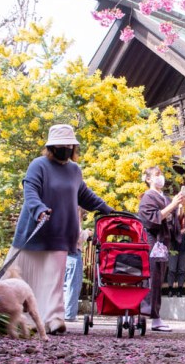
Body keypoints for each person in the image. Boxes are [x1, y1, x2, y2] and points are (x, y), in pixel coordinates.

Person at [8, 124, 115, 335]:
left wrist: (108, 210)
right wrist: (39, 209)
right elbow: (30, 192)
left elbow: (84, 195)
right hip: (35, 231)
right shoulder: (38, 165)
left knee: (54, 279)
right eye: (60, 144)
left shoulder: (75, 170)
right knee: (20, 277)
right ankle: (14, 316)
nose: (65, 147)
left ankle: (55, 319)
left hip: (61, 233)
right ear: (51, 146)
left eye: (69, 144)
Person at [138, 166, 185, 332]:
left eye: (161, 174)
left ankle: (154, 316)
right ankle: (148, 316)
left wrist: (179, 209)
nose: (161, 177)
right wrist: (173, 205)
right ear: (148, 179)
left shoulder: (164, 198)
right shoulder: (147, 197)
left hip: (162, 243)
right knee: (151, 277)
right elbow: (152, 220)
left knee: (158, 278)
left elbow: (173, 221)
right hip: (152, 241)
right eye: (157, 175)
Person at [63, 208, 90, 322]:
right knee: (73, 286)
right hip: (73, 253)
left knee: (64, 285)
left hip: (62, 253)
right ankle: (69, 314)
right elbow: (77, 237)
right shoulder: (73, 219)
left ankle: (61, 312)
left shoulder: (63, 217)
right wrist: (87, 233)